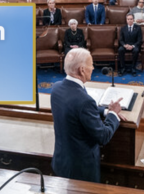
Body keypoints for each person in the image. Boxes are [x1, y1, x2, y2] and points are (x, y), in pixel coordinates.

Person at [50, 48, 122, 183]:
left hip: (61, 162)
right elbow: (103, 136)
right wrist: (113, 114)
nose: (93, 67)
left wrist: (105, 111)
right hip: (80, 171)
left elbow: (74, 109)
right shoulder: (85, 101)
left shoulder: (56, 88)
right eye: (91, 64)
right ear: (82, 70)